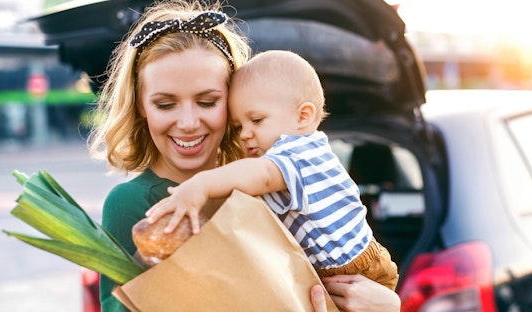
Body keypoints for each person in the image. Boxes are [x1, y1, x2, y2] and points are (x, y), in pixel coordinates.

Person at [88, 1, 399, 311]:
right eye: (166, 104)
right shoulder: (132, 204)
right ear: (142, 107)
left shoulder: (263, 186)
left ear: (234, 101)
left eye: (207, 102)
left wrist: (388, 306)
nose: (187, 122)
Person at [146, 50, 399, 291]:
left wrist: (200, 185)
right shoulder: (300, 154)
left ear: (303, 116)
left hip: (356, 271)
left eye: (256, 120)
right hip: (340, 270)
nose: (245, 134)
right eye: (237, 126)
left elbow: (262, 176)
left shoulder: (298, 154)